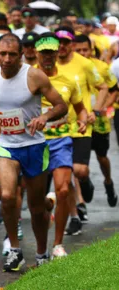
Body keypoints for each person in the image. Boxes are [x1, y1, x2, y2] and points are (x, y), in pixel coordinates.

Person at [0, 33, 67, 270]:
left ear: (22, 55)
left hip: (33, 146)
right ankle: (14, 249)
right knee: (7, 197)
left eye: (12, 54)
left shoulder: (33, 76)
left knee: (35, 206)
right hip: (5, 145)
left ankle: (42, 253)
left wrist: (44, 116)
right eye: (2, 53)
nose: (7, 59)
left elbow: (61, 105)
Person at [36, 32, 88, 257]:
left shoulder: (68, 81)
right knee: (37, 201)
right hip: (34, 143)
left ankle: (57, 244)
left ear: (58, 53)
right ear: (37, 53)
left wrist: (84, 120)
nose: (48, 56)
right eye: (44, 52)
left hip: (61, 140)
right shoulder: (29, 79)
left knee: (64, 189)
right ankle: (40, 244)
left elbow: (80, 108)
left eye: (52, 52)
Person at [54, 27, 108, 234]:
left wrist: (96, 109)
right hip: (57, 129)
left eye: (66, 42)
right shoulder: (48, 64)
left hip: (81, 125)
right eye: (58, 42)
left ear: (72, 44)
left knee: (80, 170)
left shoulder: (84, 64)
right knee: (65, 178)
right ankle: (74, 215)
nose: (62, 46)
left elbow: (103, 87)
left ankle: (85, 183)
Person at [74, 34, 118, 207]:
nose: (82, 53)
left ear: (91, 50)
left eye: (85, 49)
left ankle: (108, 181)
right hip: (78, 123)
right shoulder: (69, 67)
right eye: (78, 50)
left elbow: (113, 90)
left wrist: (100, 108)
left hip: (99, 123)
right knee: (76, 164)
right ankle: (81, 201)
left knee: (102, 157)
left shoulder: (102, 67)